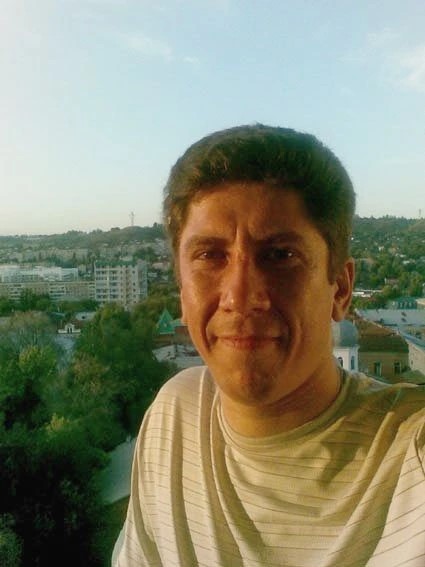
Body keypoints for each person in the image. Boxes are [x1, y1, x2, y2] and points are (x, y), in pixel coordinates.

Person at [113, 125, 425, 567]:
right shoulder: (173, 418)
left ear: (340, 288)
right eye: (210, 256)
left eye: (280, 255)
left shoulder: (411, 455)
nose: (241, 296)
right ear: (182, 291)